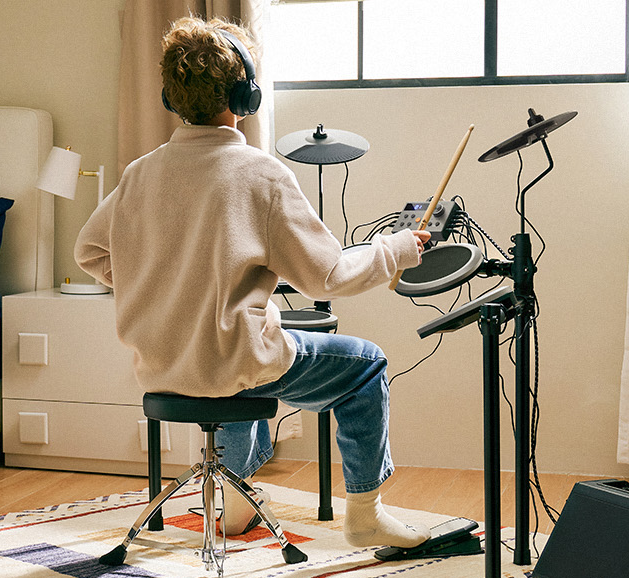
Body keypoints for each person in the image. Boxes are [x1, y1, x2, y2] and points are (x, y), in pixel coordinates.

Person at [74, 16, 431, 550]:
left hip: (165, 366)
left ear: (172, 98)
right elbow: (327, 275)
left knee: (243, 358)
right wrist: (396, 249)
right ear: (245, 95)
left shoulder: (139, 173)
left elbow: (89, 250)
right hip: (232, 361)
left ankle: (236, 503)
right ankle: (365, 515)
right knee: (365, 365)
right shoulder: (260, 174)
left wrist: (156, 285)